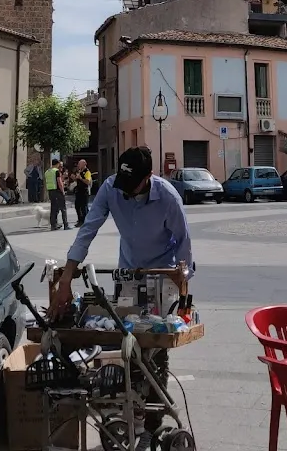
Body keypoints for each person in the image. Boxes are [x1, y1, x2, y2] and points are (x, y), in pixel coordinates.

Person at [54, 146, 193, 434]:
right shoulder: (111, 188)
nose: (127, 193)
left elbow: (183, 244)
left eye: (134, 187)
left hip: (161, 275)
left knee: (154, 346)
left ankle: (153, 419)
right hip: (128, 271)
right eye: (124, 185)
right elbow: (87, 231)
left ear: (149, 177)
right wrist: (66, 279)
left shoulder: (167, 197)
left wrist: (182, 286)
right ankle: (130, 409)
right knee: (128, 340)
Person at [45, 159, 69, 231]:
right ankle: (66, 225)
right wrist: (63, 191)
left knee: (53, 209)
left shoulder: (47, 172)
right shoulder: (56, 171)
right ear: (57, 164)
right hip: (57, 191)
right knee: (63, 208)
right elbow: (59, 182)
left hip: (50, 191)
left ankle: (53, 225)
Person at [72, 159, 92, 227]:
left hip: (84, 191)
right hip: (78, 191)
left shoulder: (87, 172)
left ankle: (85, 221)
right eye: (78, 164)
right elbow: (77, 180)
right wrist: (74, 178)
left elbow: (88, 182)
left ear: (84, 164)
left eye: (80, 164)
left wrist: (80, 178)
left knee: (84, 207)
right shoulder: (79, 171)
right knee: (77, 206)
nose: (78, 165)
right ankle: (80, 220)